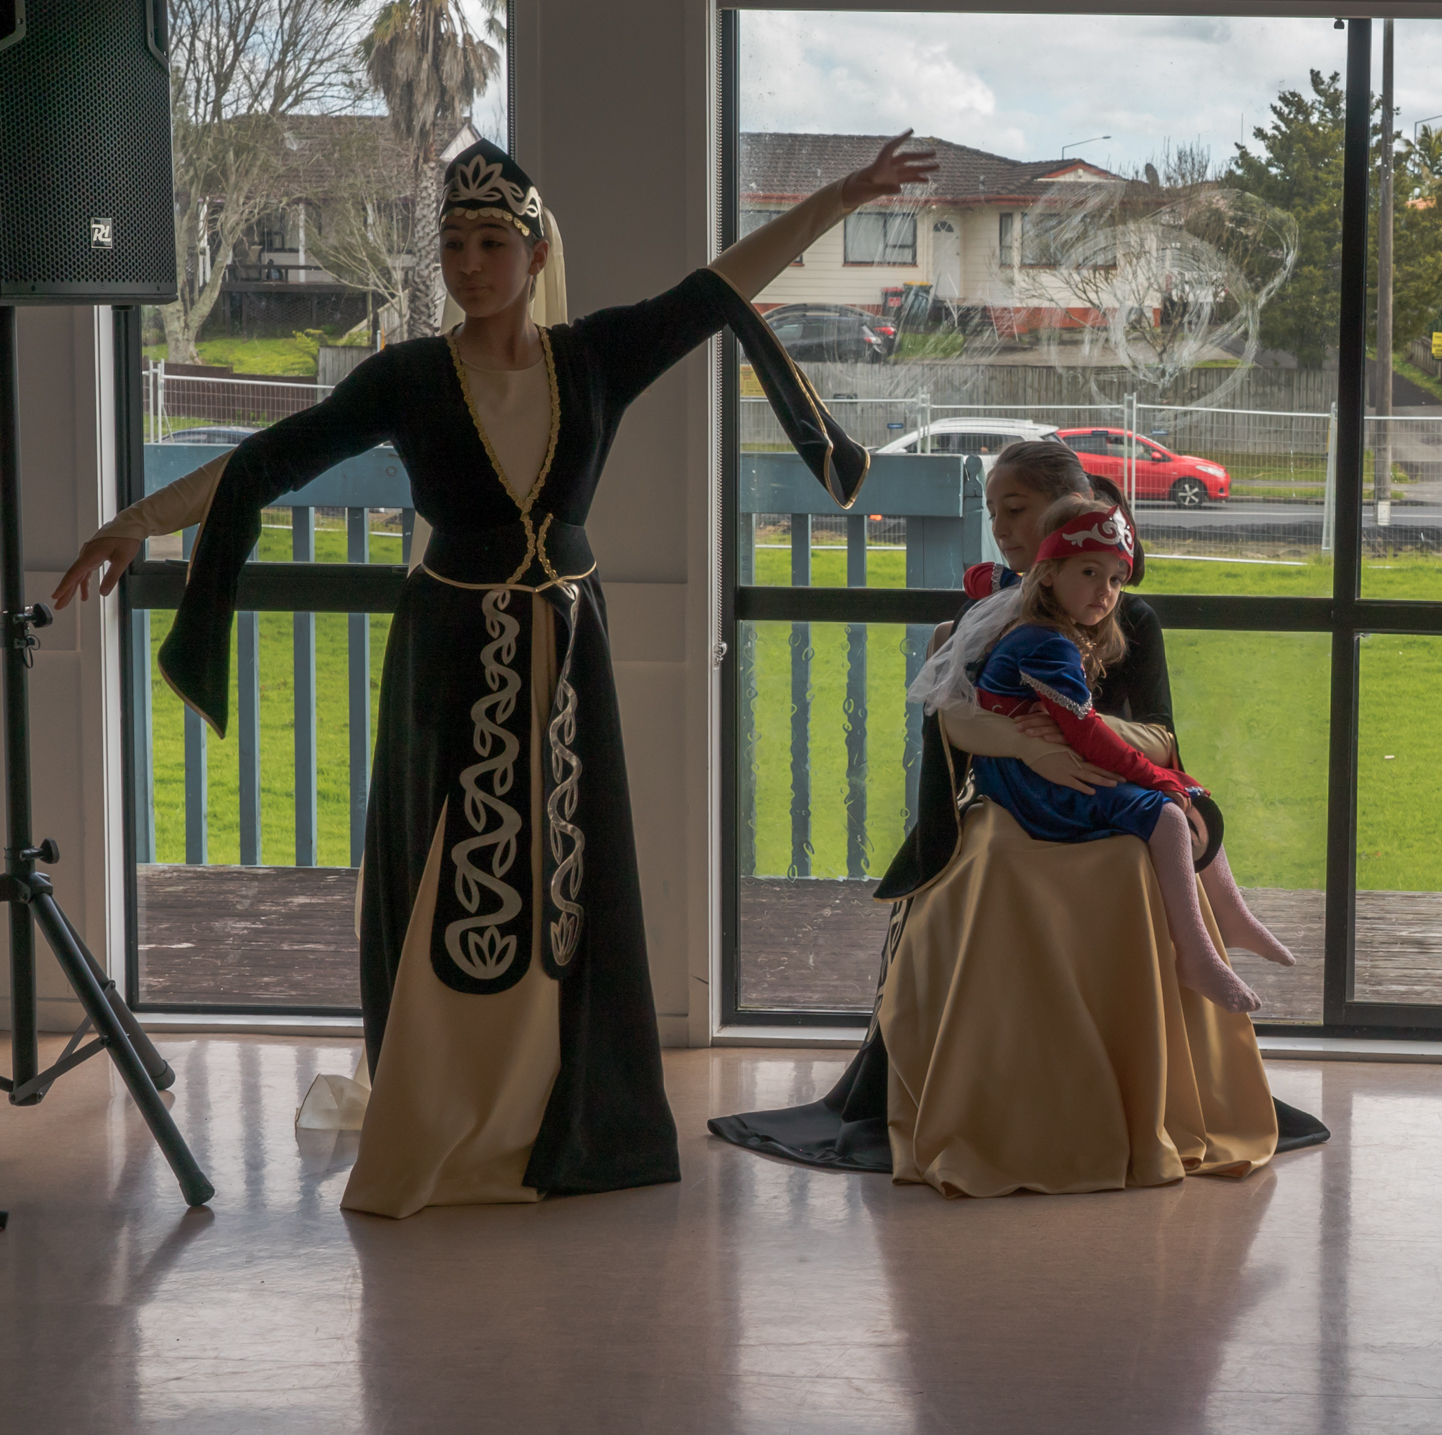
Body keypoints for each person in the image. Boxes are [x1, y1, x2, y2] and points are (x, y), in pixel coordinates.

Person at [54, 132, 939, 1218]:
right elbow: (267, 460)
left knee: (568, 875)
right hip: (447, 656)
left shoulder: (597, 357)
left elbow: (720, 288)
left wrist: (845, 195)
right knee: (448, 874)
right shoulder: (410, 377)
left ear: (534, 254)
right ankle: (447, 1106)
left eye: (490, 242)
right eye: (453, 244)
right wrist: (135, 522)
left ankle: (553, 1112)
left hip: (569, 654)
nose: (469, 264)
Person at [709, 441, 1329, 1196]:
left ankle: (1156, 1056)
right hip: (1011, 799)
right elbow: (952, 720)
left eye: (1016, 510)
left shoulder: (1128, 614)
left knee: (1150, 844)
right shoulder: (986, 614)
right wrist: (1024, 743)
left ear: (1068, 513)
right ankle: (996, 1099)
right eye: (994, 512)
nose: (1000, 528)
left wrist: (1076, 733)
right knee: (997, 859)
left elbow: (1162, 735)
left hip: (1104, 788)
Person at [969, 493, 1285, 1015]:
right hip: (1031, 784)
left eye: (1116, 579)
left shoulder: (1033, 609)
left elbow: (980, 577)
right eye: (1090, 572)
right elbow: (1089, 737)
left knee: (1184, 788)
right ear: (1048, 574)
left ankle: (1231, 915)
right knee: (1167, 813)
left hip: (1033, 768)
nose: (1106, 592)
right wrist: (1158, 779)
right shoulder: (1048, 645)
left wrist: (992, 579)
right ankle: (1194, 954)